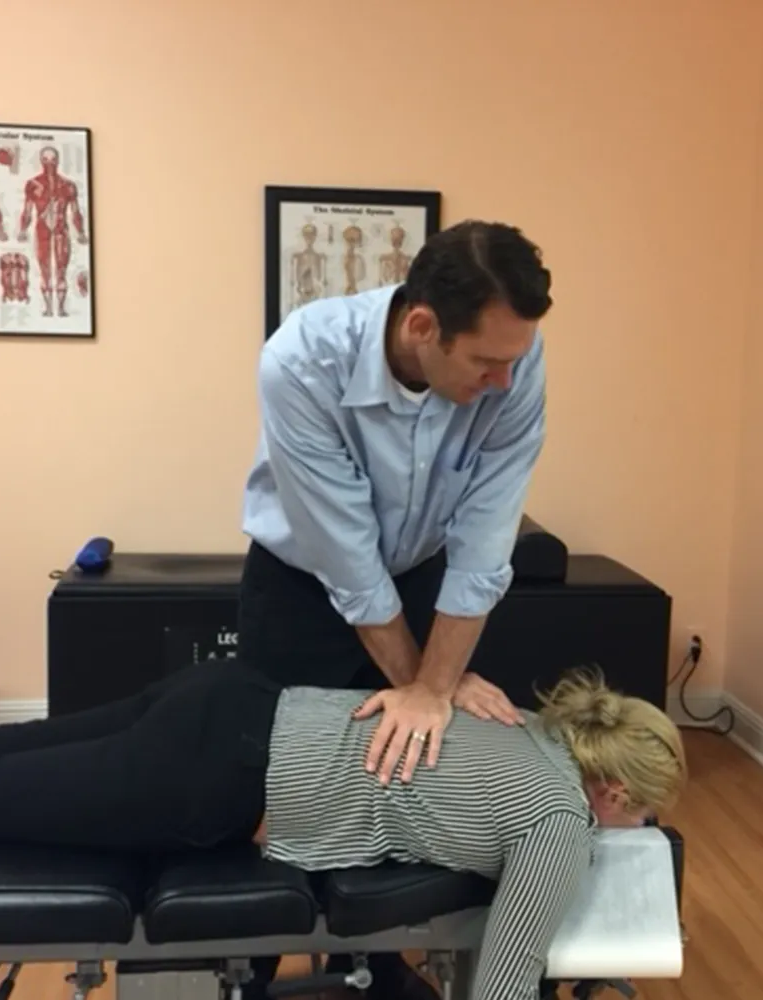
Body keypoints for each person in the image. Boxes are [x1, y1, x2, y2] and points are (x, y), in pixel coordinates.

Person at [0, 661, 685, 1000]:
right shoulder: (560, 818)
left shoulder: (511, 713)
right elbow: (502, 986)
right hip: (207, 781)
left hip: (229, 699)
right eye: (645, 811)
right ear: (610, 789)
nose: (640, 827)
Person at [239, 218, 554, 998]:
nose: (504, 382)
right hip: (301, 583)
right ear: (422, 326)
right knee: (276, 787)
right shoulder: (301, 362)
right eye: (485, 363)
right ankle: (250, 964)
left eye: (513, 361)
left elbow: (485, 540)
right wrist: (426, 686)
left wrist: (436, 690)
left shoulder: (515, 355)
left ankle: (379, 960)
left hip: (421, 572)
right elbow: (347, 561)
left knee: (410, 767)